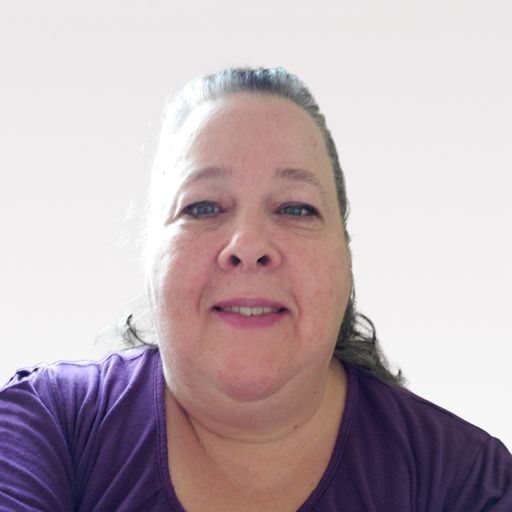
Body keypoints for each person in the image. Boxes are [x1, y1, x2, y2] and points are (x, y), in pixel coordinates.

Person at [1, 67, 510, 511]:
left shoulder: (465, 480)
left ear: (346, 256)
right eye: (203, 207)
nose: (247, 245)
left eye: (295, 208)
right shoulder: (44, 428)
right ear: (149, 251)